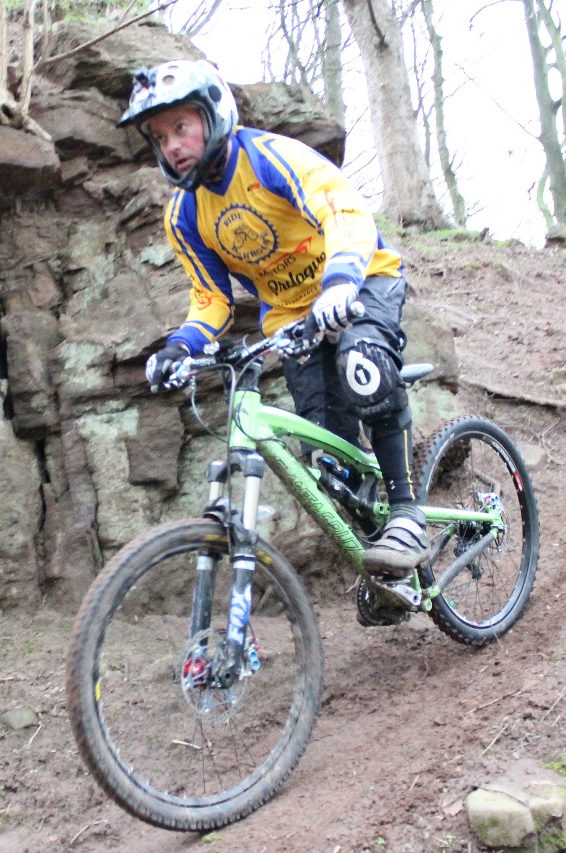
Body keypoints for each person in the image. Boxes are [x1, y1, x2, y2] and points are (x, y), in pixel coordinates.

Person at [119, 58, 429, 579]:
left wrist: (339, 283)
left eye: (181, 126)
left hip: (362, 279)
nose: (172, 145)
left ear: (212, 114)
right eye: (160, 136)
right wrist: (179, 347)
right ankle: (387, 568)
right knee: (329, 465)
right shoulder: (184, 214)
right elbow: (212, 298)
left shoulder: (269, 157)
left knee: (364, 366)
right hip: (292, 320)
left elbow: (344, 212)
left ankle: (406, 514)